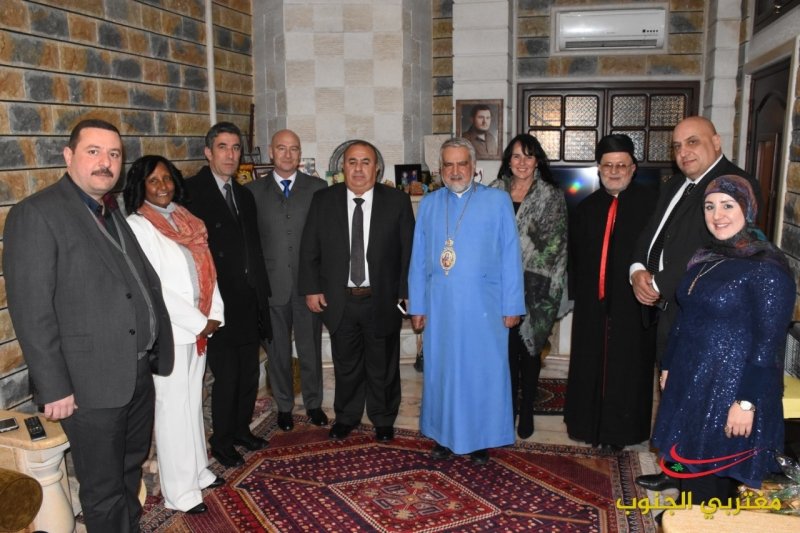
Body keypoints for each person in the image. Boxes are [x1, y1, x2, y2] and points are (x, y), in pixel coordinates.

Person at [3, 119, 174, 532]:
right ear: (69, 156)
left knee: (129, 470)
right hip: (88, 384)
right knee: (102, 487)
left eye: (114, 154)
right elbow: (31, 309)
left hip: (134, 373)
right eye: (93, 151)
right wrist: (54, 386)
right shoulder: (37, 214)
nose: (106, 162)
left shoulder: (109, 210)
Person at [630, 116, 761, 491]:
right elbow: (651, 233)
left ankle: (696, 480)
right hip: (671, 310)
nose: (683, 152)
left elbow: (706, 250)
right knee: (674, 395)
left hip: (704, 314)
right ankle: (674, 469)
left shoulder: (733, 184)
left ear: (716, 142)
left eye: (693, 142)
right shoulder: (675, 184)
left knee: (699, 401)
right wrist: (637, 270)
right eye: (677, 146)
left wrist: (657, 283)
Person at [651, 175, 794, 504]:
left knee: (714, 476)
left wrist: (746, 402)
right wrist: (669, 365)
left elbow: (768, 344)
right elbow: (685, 314)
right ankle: (686, 515)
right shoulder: (706, 256)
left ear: (747, 209)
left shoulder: (767, 267)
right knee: (684, 462)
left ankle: (701, 519)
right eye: (709, 206)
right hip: (692, 378)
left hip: (731, 387)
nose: (717, 216)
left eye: (728, 206)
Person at [409, 137, 525, 464]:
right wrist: (417, 305)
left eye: (462, 163)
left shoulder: (497, 201)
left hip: (484, 307)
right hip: (441, 308)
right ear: (440, 169)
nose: (455, 170)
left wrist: (512, 305)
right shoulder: (430, 204)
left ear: (474, 167)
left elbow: (510, 256)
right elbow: (418, 259)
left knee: (481, 373)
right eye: (448, 164)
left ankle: (480, 439)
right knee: (442, 373)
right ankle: (443, 435)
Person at [124, 155, 225, 514]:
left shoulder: (185, 218)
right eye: (153, 181)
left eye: (167, 179)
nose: (162, 186)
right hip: (172, 331)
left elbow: (207, 270)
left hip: (199, 327)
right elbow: (156, 287)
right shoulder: (138, 226)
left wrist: (214, 314)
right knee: (172, 410)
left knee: (192, 402)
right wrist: (198, 322)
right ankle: (179, 492)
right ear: (141, 186)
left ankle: (198, 472)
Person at [298, 140, 414, 443]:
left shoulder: (396, 201)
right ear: (342, 168)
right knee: (346, 364)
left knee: (383, 364)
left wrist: (406, 292)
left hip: (383, 298)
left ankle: (383, 418)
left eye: (365, 162)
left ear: (377, 168)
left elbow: (409, 252)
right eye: (352, 162)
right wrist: (312, 288)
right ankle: (347, 417)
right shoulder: (323, 200)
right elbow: (309, 247)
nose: (359, 169)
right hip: (341, 299)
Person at [184, 122, 273, 468]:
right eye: (222, 147)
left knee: (249, 372)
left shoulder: (244, 195)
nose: (230, 155)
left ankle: (241, 430)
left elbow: (253, 248)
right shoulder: (191, 193)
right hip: (217, 303)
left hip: (249, 300)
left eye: (236, 148)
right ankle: (221, 441)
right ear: (208, 152)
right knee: (227, 376)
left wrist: (262, 293)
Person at [564, 135, 657, 450]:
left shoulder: (652, 206)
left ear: (633, 168)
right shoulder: (586, 208)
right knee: (589, 364)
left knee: (627, 369)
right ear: (599, 168)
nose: (614, 171)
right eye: (608, 165)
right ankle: (587, 426)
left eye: (621, 165)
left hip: (633, 306)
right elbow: (574, 257)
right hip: (593, 305)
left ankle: (619, 434)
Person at [246, 130, 328, 431]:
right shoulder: (252, 191)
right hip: (271, 287)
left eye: (294, 149)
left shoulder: (318, 188)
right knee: (277, 351)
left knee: (310, 348)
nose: (288, 154)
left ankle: (314, 404)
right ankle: (283, 406)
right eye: (282, 148)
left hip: (308, 287)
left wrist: (320, 283)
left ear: (300, 153)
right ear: (271, 152)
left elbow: (323, 240)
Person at [488, 133, 567, 439]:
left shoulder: (551, 195)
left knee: (530, 353)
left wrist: (522, 279)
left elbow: (554, 246)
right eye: (516, 156)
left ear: (537, 162)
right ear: (508, 160)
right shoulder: (493, 192)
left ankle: (528, 410)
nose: (522, 162)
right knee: (504, 354)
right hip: (497, 289)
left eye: (529, 156)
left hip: (537, 289)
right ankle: (506, 409)